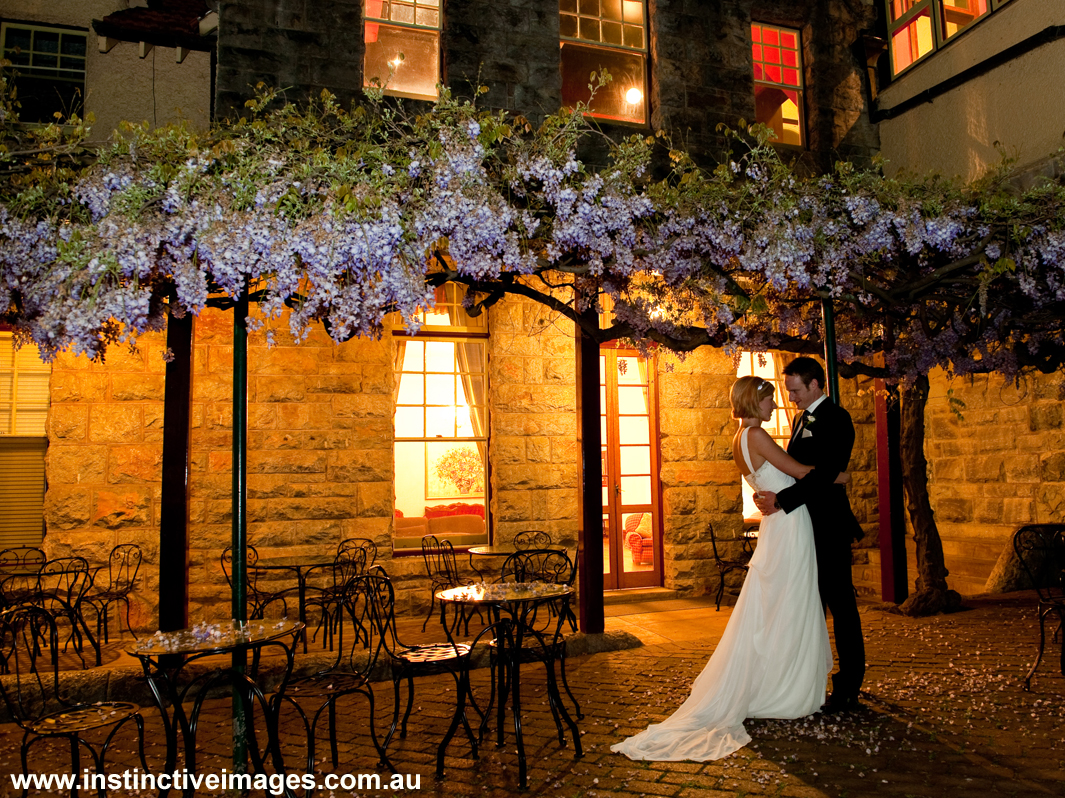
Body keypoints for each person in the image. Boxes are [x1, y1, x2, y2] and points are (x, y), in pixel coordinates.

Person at [611, 375, 844, 762]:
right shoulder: (755, 437)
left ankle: (778, 679)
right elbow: (802, 472)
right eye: (770, 399)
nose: (774, 405)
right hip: (788, 526)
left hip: (779, 524)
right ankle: (784, 688)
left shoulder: (740, 439)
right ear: (755, 401)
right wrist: (841, 476)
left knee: (778, 606)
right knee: (791, 603)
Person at [753, 356, 866, 714]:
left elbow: (826, 473)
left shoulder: (838, 418)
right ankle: (808, 680)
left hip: (829, 526)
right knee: (808, 606)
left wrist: (782, 501)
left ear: (816, 384)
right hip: (803, 528)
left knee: (841, 605)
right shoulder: (803, 419)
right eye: (788, 392)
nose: (791, 399)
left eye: (796, 390)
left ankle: (849, 684)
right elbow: (803, 471)